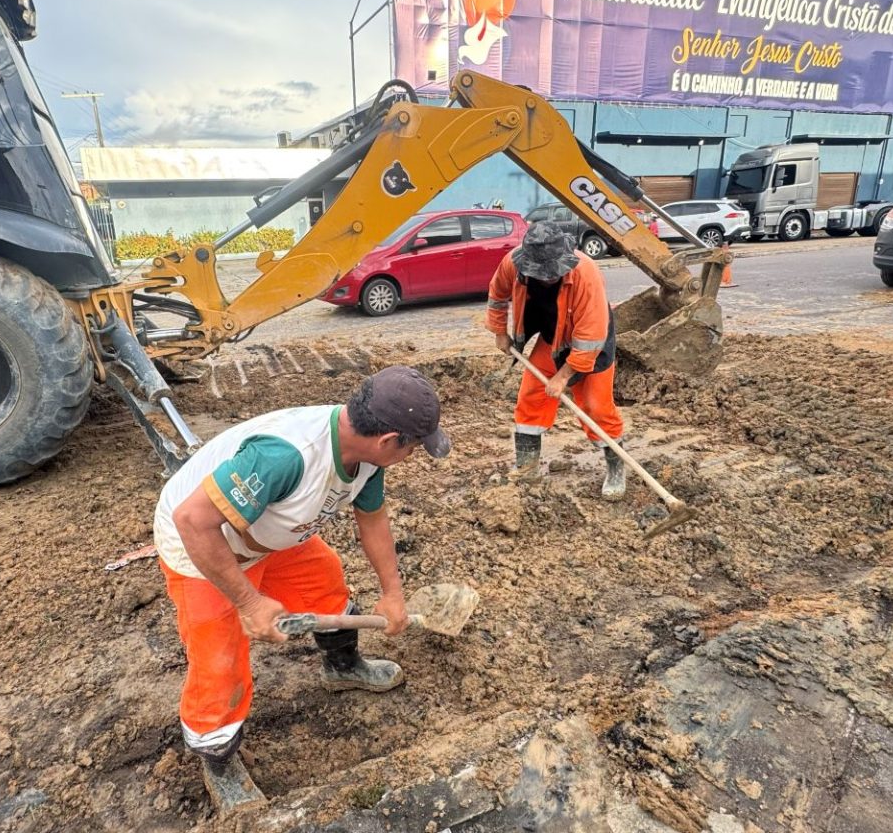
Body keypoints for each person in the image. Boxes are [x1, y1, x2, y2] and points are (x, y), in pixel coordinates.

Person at [152, 367, 450, 810]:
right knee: (221, 659)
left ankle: (342, 666)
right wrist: (249, 601)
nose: (412, 456)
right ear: (389, 440)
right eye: (412, 448)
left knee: (325, 583)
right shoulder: (287, 454)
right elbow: (194, 521)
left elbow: (373, 520)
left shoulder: (367, 458)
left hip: (269, 532)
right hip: (203, 546)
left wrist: (393, 593)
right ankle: (218, 760)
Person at [486, 221, 626, 500]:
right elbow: (497, 295)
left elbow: (591, 336)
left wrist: (562, 377)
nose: (548, 278)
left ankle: (616, 467)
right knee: (531, 398)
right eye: (542, 274)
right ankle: (527, 467)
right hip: (552, 337)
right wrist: (500, 332)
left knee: (596, 407)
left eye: (553, 274)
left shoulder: (586, 274)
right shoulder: (513, 264)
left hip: (590, 344)